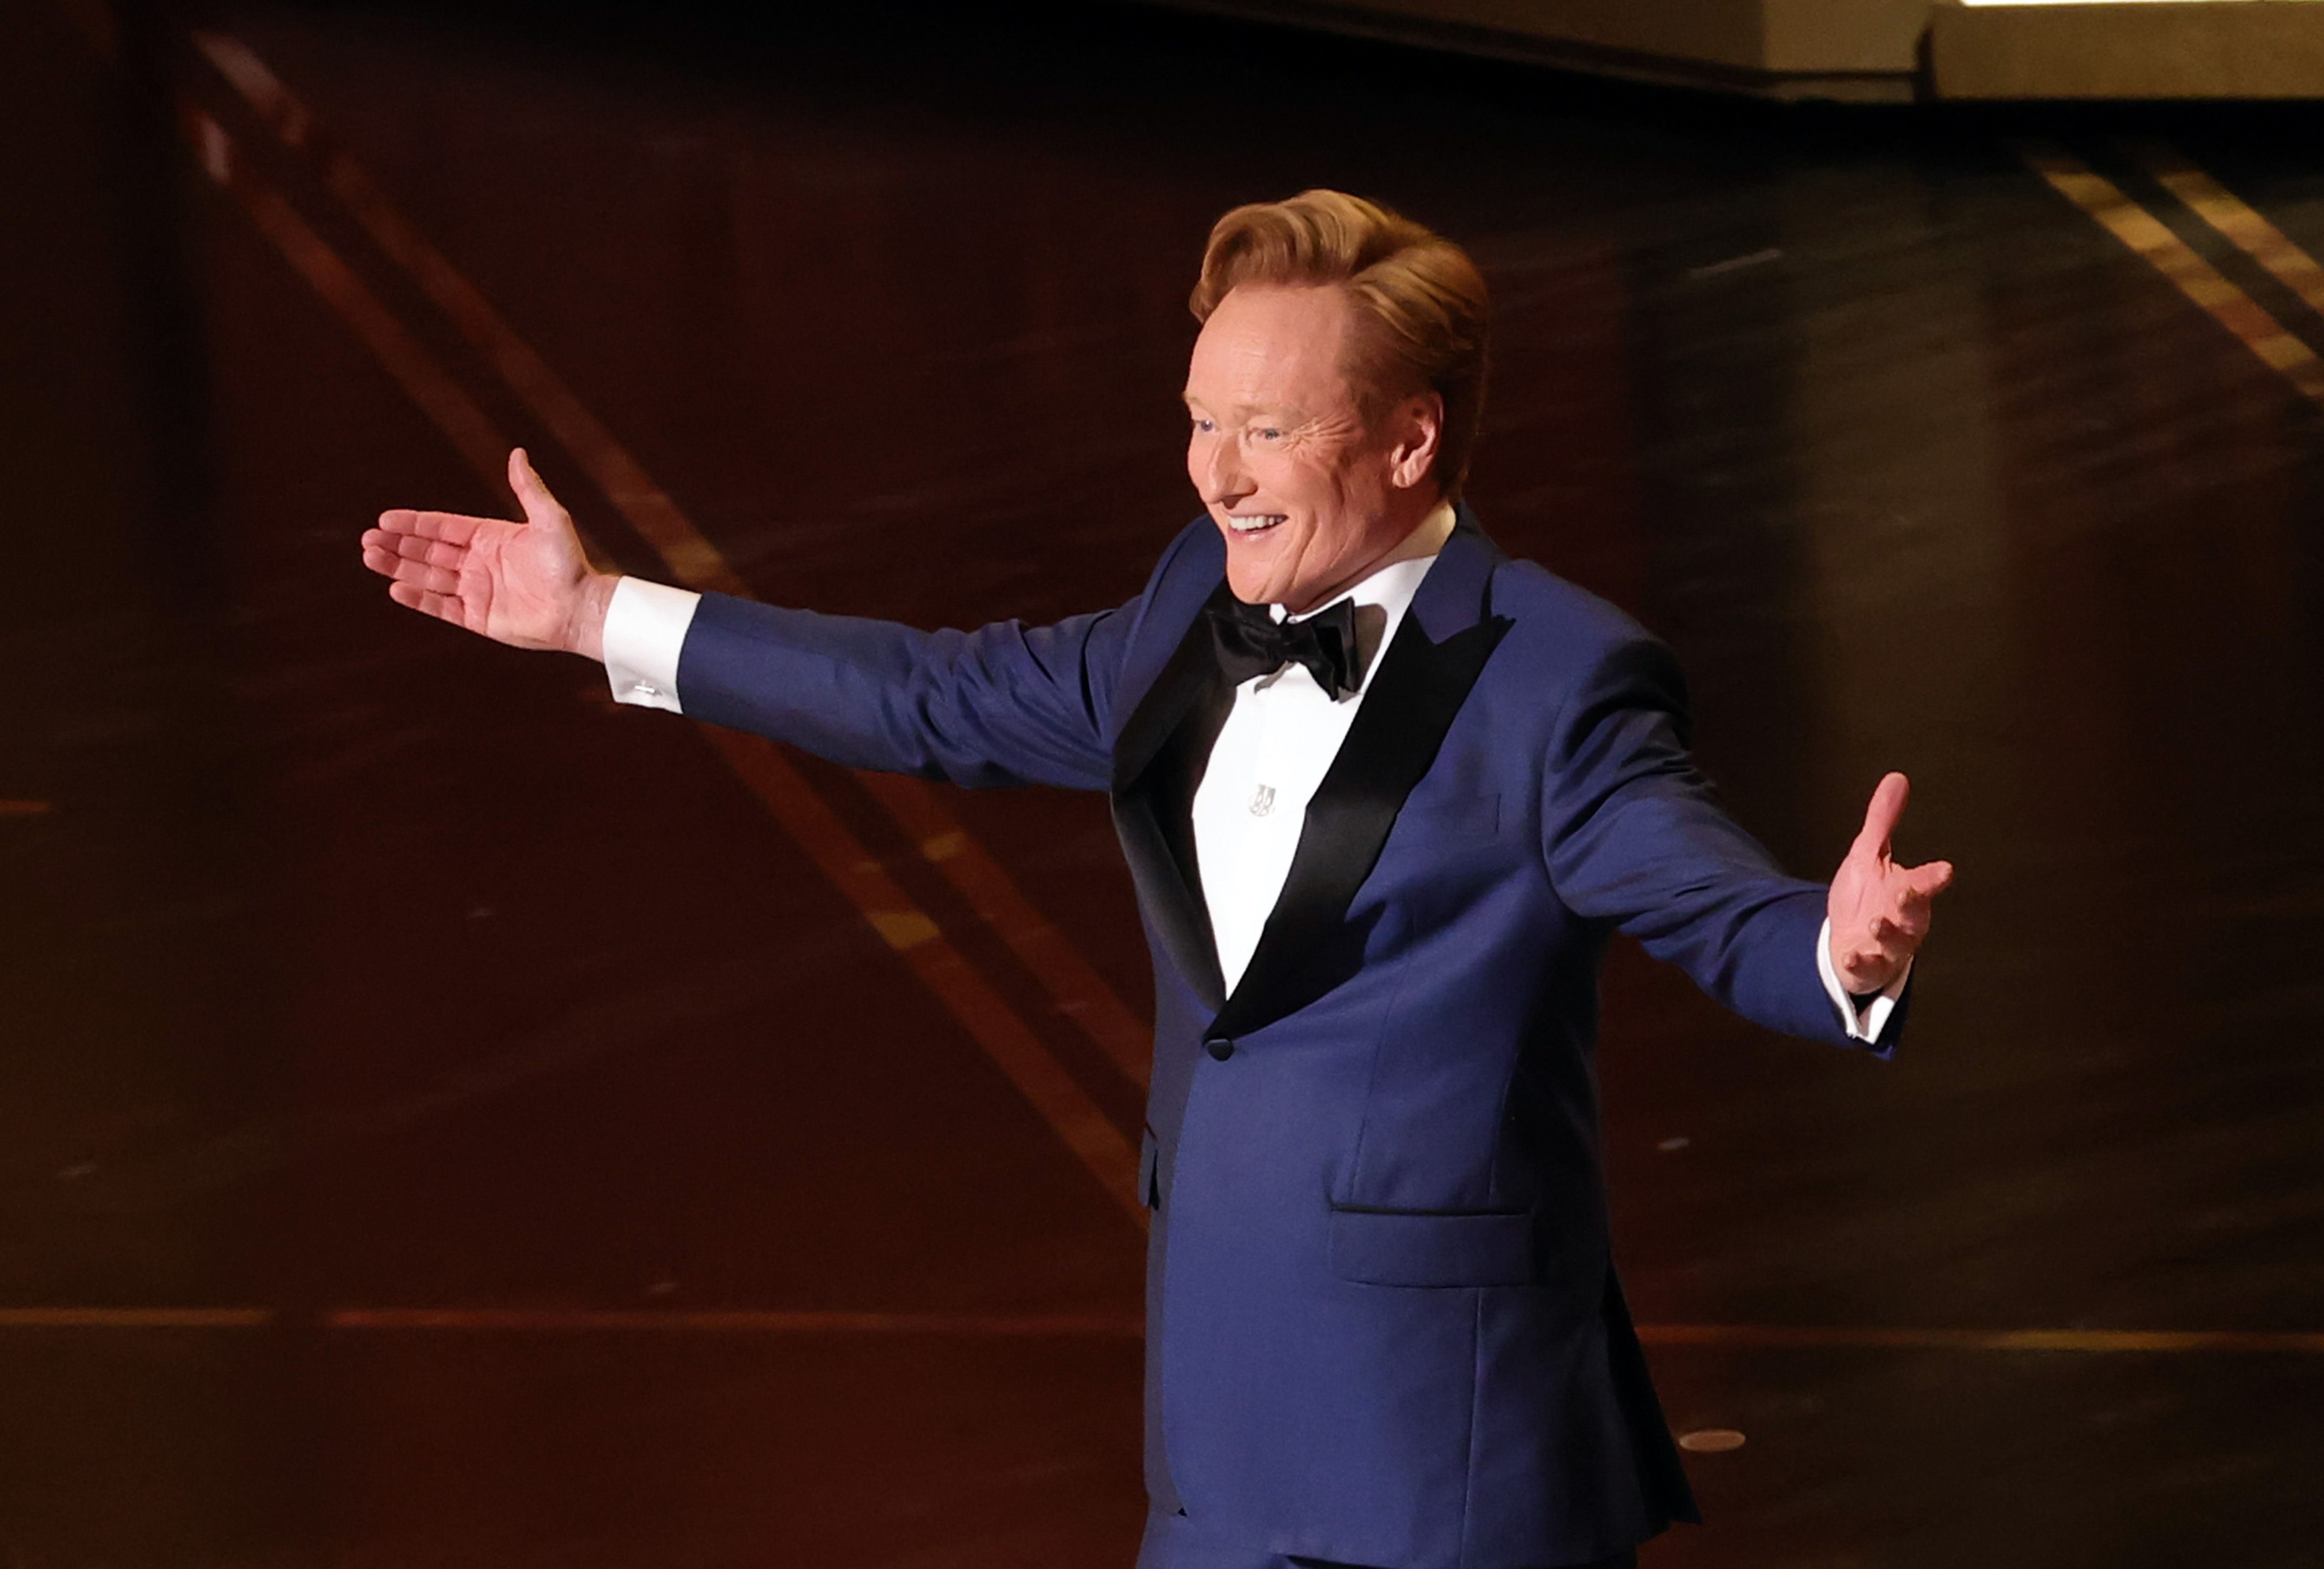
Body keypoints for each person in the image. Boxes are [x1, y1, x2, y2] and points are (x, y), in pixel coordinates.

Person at [361, 190, 1951, 1569]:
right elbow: (935, 696)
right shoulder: (1196, 599)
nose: (1217, 474)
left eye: (1268, 430)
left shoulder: (1559, 677)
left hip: (1452, 1471)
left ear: (1410, 439)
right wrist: (599, 617)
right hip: (1218, 1463)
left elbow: (1702, 896)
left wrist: (1838, 949)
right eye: (1202, 420)